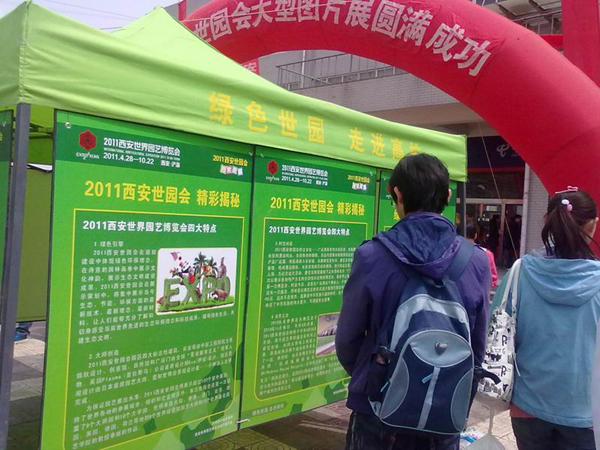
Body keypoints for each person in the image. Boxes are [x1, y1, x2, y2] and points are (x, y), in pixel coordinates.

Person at [336, 154, 491, 450]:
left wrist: (380, 376)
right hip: (444, 412)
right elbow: (477, 344)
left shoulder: (372, 255)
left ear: (397, 194)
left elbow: (347, 340)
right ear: (447, 196)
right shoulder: (477, 261)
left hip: (377, 410)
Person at [493, 189, 600, 450]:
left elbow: (495, 329)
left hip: (527, 407)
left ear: (546, 221)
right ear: (593, 225)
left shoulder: (519, 273)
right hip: (586, 412)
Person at [467, 220, 498, 288]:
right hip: (479, 292)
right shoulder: (487, 254)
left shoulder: (452, 252)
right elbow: (493, 280)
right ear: (475, 235)